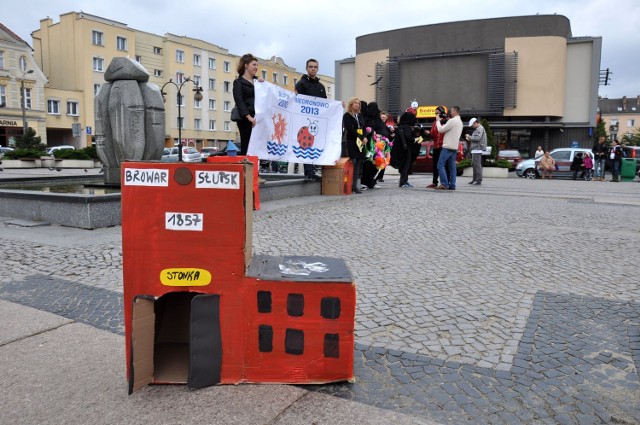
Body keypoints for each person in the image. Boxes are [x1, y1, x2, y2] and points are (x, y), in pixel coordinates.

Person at [295, 59, 326, 182]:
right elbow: (296, 100)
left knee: (315, 145)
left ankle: (312, 170)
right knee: (306, 146)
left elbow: (326, 104)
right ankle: (308, 172)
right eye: (310, 66)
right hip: (305, 120)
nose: (313, 69)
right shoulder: (301, 84)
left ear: (317, 69)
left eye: (315, 67)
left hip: (317, 121)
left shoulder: (321, 87)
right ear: (306, 68)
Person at [232, 54, 259, 155]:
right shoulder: (238, 83)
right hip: (245, 119)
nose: (256, 67)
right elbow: (239, 101)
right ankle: (246, 167)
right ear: (246, 66)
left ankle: (255, 167)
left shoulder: (258, 82)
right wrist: (248, 117)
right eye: (254, 65)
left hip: (257, 117)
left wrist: (263, 84)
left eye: (257, 65)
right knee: (247, 144)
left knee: (257, 145)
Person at [435, 106, 463, 190]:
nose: (450, 113)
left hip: (447, 146)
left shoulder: (452, 120)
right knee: (452, 167)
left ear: (455, 111)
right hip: (454, 147)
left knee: (440, 165)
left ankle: (444, 184)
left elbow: (440, 130)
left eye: (451, 111)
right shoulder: (460, 122)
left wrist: (438, 121)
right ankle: (452, 185)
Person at [343, 97, 366, 194]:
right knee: (353, 161)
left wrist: (364, 137)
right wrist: (360, 137)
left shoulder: (360, 115)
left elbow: (363, 127)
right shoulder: (347, 115)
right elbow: (350, 129)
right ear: (351, 104)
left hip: (360, 143)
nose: (357, 104)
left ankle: (355, 186)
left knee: (358, 164)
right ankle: (349, 184)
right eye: (355, 103)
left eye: (358, 103)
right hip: (352, 141)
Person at [391, 111, 419, 188]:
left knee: (404, 166)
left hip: (401, 149)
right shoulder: (406, 127)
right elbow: (408, 137)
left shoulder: (400, 126)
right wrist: (415, 139)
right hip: (406, 150)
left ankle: (403, 182)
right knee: (406, 166)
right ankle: (403, 182)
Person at [426, 107, 445, 188]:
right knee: (435, 165)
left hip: (443, 146)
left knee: (442, 165)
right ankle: (434, 182)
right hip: (436, 146)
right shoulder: (434, 123)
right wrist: (428, 133)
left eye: (437, 113)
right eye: (435, 113)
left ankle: (444, 182)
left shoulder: (445, 121)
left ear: (441, 113)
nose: (436, 115)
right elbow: (433, 135)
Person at [465, 117, 486, 185]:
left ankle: (478, 180)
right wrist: (470, 138)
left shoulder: (480, 128)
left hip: (477, 149)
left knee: (477, 165)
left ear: (475, 123)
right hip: (475, 149)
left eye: (472, 125)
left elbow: (477, 138)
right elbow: (476, 139)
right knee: (475, 165)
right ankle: (475, 179)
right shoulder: (478, 128)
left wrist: (469, 137)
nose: (472, 127)